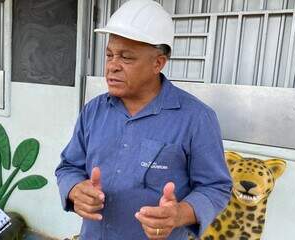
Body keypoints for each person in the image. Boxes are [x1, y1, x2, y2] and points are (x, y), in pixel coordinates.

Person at [55, 0, 232, 239]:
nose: (112, 67)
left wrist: (179, 214)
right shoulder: (93, 111)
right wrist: (76, 190)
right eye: (109, 55)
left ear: (158, 63)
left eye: (126, 58)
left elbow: (216, 187)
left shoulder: (196, 119)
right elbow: (69, 167)